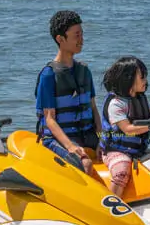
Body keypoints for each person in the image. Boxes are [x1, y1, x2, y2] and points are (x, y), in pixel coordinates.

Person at [34, 10, 102, 176]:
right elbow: (49, 119)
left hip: (86, 135)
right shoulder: (49, 75)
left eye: (82, 34)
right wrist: (71, 147)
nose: (81, 40)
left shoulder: (84, 71)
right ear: (60, 39)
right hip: (58, 139)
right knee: (85, 164)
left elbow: (94, 110)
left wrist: (101, 139)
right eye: (76, 35)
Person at [99, 56, 150, 197]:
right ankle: (109, 207)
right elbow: (127, 129)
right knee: (121, 172)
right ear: (128, 79)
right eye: (142, 77)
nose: (146, 81)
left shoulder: (140, 98)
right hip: (116, 151)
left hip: (137, 149)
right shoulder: (116, 104)